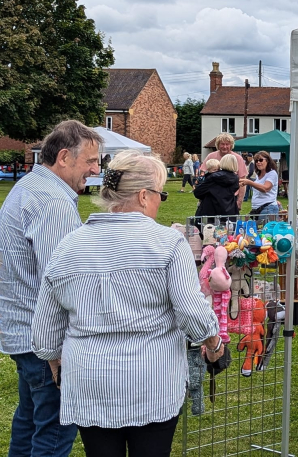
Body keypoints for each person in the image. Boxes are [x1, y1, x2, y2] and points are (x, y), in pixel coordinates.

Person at [31, 150, 223, 457]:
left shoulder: (68, 246)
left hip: (90, 380)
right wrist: (214, 345)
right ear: (144, 196)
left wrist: (56, 365)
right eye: (162, 194)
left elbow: (44, 333)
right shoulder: (167, 243)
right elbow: (191, 312)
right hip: (152, 381)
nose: (161, 201)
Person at [0, 120, 103, 457]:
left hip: (23, 331)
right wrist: (58, 351)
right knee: (54, 433)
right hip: (43, 339)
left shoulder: (29, 187)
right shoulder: (53, 202)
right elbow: (60, 279)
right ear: (63, 157)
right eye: (90, 161)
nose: (95, 169)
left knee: (29, 421)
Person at [200, 134, 247, 210]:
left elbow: (243, 182)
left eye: (227, 144)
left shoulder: (237, 158)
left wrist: (239, 201)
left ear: (231, 145)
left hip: (231, 197)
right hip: (212, 197)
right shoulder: (211, 156)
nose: (225, 147)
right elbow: (203, 174)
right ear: (218, 145)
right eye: (222, 144)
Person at [240, 151, 282, 216]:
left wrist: (250, 182)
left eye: (261, 160)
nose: (258, 162)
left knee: (266, 226)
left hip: (268, 209)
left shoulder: (272, 173)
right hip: (256, 209)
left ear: (267, 161)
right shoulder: (258, 175)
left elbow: (266, 188)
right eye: (256, 161)